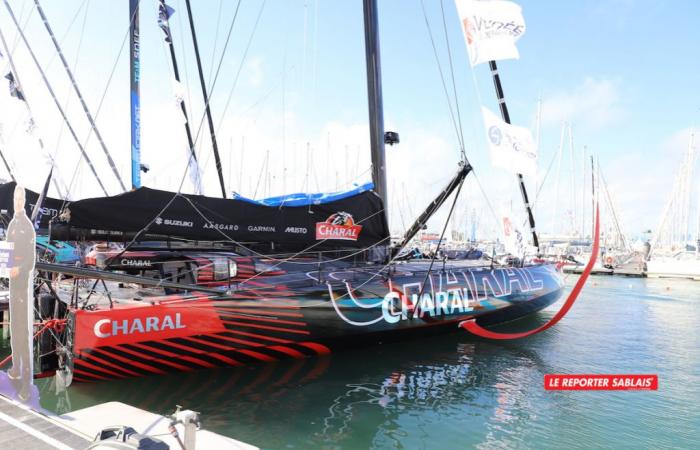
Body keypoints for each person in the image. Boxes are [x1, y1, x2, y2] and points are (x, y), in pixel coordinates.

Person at [6, 185, 36, 401]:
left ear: (24, 201)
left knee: (23, 333)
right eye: (15, 198)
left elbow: (31, 260)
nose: (18, 202)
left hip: (22, 284)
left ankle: (26, 383)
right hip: (11, 283)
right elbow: (7, 251)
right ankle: (15, 368)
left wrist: (19, 268)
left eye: (21, 199)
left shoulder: (27, 226)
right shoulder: (12, 224)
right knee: (13, 328)